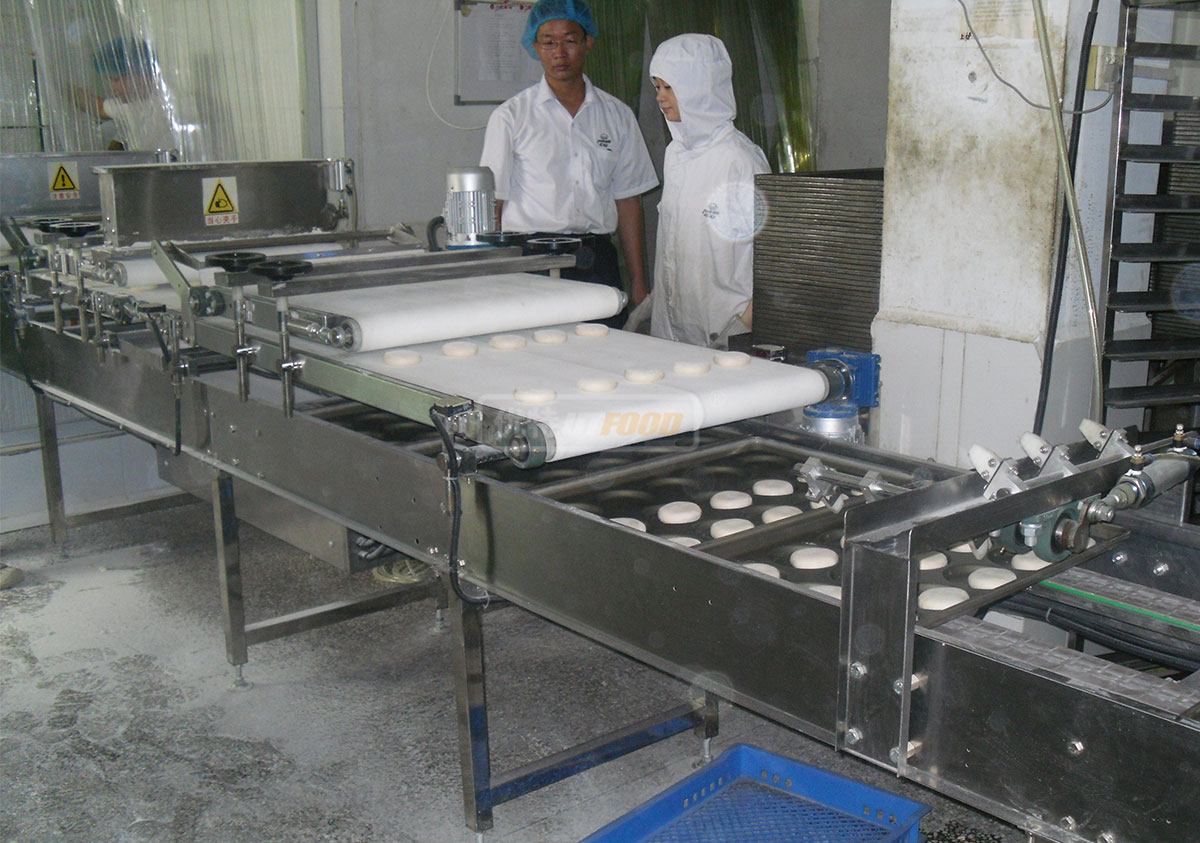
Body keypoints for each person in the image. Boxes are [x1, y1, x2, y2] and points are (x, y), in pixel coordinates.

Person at [479, 0, 658, 320]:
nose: (559, 52)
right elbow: (494, 203)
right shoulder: (511, 117)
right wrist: (489, 275)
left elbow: (629, 201)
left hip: (596, 261)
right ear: (535, 47)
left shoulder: (617, 115)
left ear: (588, 42)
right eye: (548, 42)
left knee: (604, 345)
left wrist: (639, 283)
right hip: (530, 262)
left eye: (570, 40)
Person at [647, 34, 770, 348]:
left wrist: (743, 326)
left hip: (724, 328)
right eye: (657, 87)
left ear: (700, 87)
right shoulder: (675, 154)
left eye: (669, 87)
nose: (661, 97)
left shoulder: (740, 159)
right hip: (671, 331)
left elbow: (771, 254)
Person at [70, 38, 173, 152]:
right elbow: (97, 106)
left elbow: (97, 106)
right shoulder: (130, 105)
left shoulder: (163, 107)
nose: (112, 87)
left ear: (140, 76)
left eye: (116, 79)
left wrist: (61, 86)